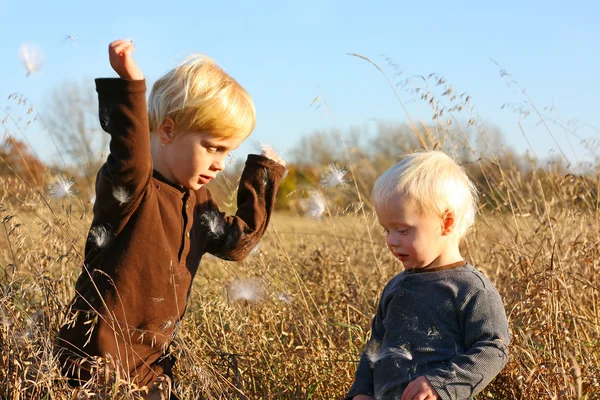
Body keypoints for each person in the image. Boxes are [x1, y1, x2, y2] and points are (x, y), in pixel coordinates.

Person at [54, 39, 286, 398]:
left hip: (150, 367)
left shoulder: (199, 204)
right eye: (213, 147)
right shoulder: (131, 188)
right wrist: (131, 84)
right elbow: (131, 152)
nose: (222, 163)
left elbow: (238, 243)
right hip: (93, 363)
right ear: (167, 131)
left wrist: (264, 176)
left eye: (230, 152)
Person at [345, 151, 510, 400]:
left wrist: (441, 385)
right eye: (386, 230)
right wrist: (362, 392)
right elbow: (376, 347)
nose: (391, 241)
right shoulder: (394, 287)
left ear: (446, 223)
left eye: (402, 229)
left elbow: (494, 348)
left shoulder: (470, 289)